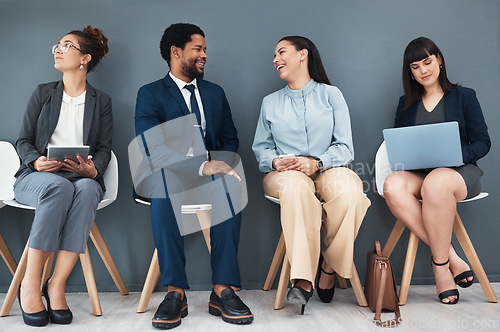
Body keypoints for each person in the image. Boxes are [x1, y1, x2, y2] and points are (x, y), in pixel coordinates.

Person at [134, 23, 253, 329]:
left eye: (204, 49)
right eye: (198, 49)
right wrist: (200, 166)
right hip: (168, 174)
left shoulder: (214, 93)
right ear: (177, 52)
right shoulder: (150, 94)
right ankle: (175, 293)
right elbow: (152, 149)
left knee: (229, 185)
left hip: (212, 173)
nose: (204, 55)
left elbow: (230, 138)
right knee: (164, 187)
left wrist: (220, 163)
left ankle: (222, 289)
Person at [252, 36, 371, 314]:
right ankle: (303, 279)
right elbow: (261, 149)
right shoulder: (270, 102)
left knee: (351, 191)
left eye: (281, 52)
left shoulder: (331, 95)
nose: (275, 59)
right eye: (274, 55)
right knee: (296, 188)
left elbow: (345, 147)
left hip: (326, 168)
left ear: (303, 55)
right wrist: (275, 161)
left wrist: (317, 163)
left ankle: (328, 266)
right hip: (284, 175)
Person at [14, 26, 111, 326]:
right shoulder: (43, 93)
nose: (57, 49)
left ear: (84, 58)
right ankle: (30, 285)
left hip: (77, 178)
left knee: (89, 189)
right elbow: (23, 141)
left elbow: (105, 148)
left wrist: (93, 170)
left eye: (66, 45)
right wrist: (37, 161)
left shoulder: (101, 101)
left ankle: (56, 284)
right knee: (58, 187)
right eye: (57, 44)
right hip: (37, 178)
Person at [383, 37, 491, 304]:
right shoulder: (405, 103)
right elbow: (401, 143)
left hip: (460, 174)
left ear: (439, 60)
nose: (423, 70)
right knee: (392, 185)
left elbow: (482, 142)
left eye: (428, 62)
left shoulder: (465, 96)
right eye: (415, 66)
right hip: (421, 173)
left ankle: (440, 268)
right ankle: (451, 256)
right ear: (410, 72)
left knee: (437, 182)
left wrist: (455, 155)